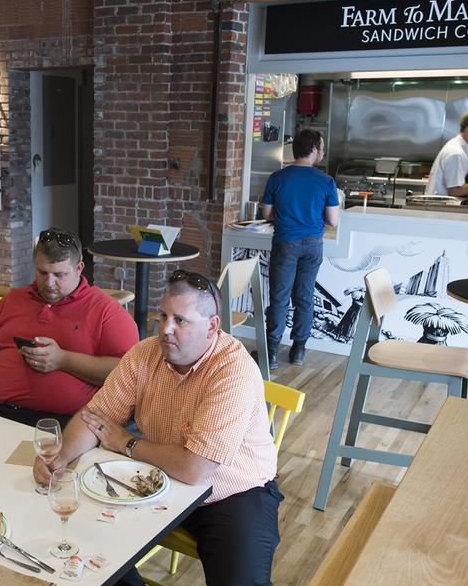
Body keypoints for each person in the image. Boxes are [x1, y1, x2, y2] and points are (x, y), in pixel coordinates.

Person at [35, 270, 281, 586]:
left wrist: (127, 444)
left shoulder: (233, 372)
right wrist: (60, 461)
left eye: (180, 320)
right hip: (158, 480)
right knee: (86, 549)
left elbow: (194, 469)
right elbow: (95, 417)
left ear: (212, 326)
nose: (165, 329)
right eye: (163, 315)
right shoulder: (145, 353)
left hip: (233, 493)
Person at [0, 228, 139, 426]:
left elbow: (128, 374)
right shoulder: (13, 299)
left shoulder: (106, 311)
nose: (49, 283)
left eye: (59, 275)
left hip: (67, 423)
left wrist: (64, 360)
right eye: (42, 273)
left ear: (79, 268)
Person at [260, 128, 340, 369]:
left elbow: (267, 213)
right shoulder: (326, 181)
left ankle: (272, 353)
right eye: (321, 147)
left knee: (279, 297)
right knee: (305, 297)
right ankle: (298, 351)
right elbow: (333, 220)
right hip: (313, 245)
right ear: (314, 149)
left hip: (285, 243)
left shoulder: (277, 177)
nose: (323, 151)